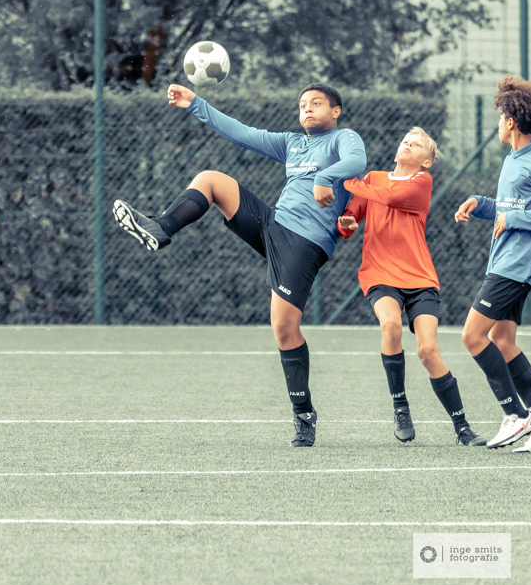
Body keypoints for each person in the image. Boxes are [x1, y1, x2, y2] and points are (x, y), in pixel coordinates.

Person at [112, 83, 366, 448]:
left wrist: (325, 178)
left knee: (283, 328)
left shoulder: (344, 138)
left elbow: (357, 163)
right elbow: (241, 133)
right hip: (273, 224)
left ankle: (303, 414)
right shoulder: (292, 143)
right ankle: (161, 228)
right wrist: (194, 103)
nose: (307, 109)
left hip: (305, 241)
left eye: (316, 103)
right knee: (211, 180)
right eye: (302, 105)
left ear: (336, 111)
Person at [337, 128, 487, 447]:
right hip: (379, 273)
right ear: (397, 149)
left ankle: (462, 427)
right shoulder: (374, 179)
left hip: (420, 278)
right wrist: (346, 222)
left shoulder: (421, 182)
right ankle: (401, 408)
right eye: (405, 141)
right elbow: (350, 219)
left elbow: (391, 198)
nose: (408, 144)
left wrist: (348, 182)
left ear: (426, 161)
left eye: (417, 144)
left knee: (427, 350)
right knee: (390, 325)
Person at [454, 75, 531, 452]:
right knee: (502, 341)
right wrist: (481, 204)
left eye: (500, 116)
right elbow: (510, 208)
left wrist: (513, 218)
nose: (498, 122)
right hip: (506, 263)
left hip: (517, 267)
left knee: (473, 336)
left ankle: (515, 415)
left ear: (510, 122)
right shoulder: (514, 160)